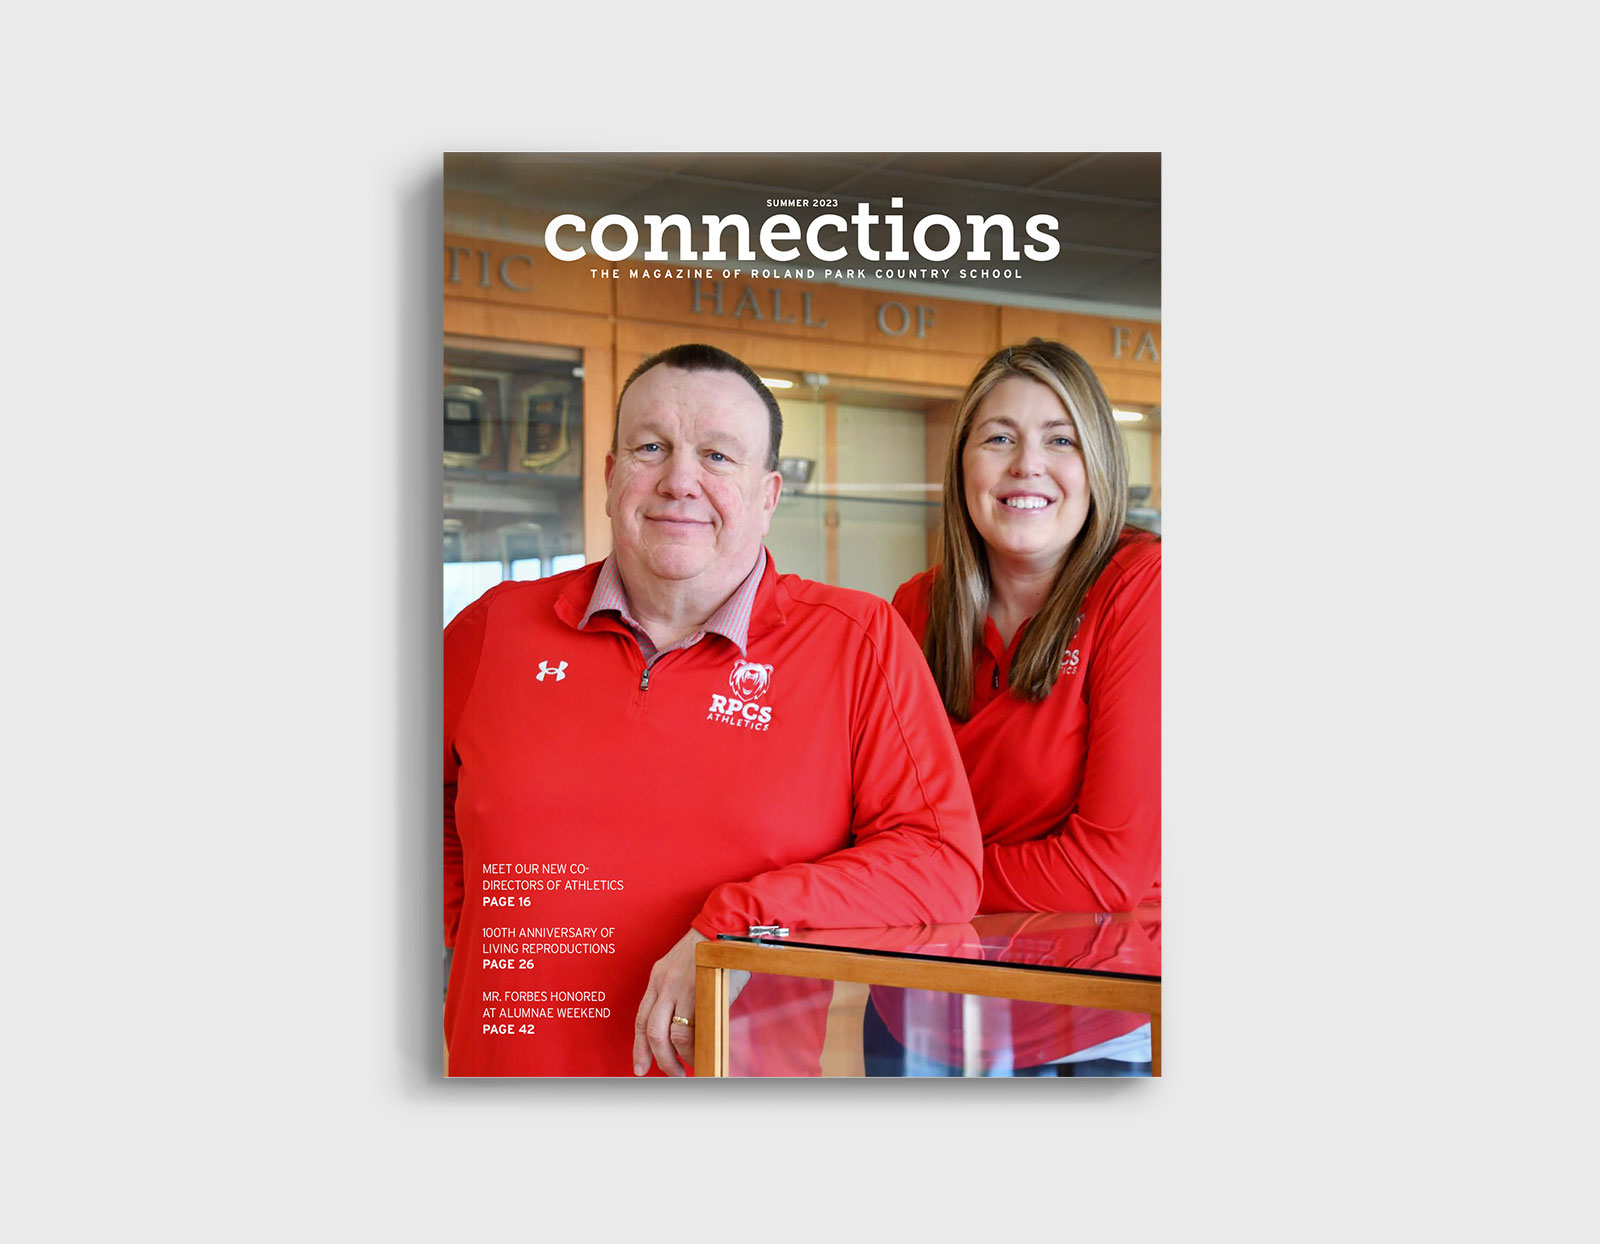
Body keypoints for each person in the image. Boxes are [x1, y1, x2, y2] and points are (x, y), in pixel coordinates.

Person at [443, 342, 983, 1077]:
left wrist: (735, 927)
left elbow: (940, 864)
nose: (679, 481)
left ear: (768, 496)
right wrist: (484, 930)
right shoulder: (492, 628)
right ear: (609, 477)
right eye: (651, 447)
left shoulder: (857, 641)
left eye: (718, 457)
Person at [870, 338, 1161, 1075]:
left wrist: (918, 883)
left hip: (1088, 1025)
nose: (1027, 464)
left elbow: (1108, 871)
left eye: (1059, 440)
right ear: (961, 465)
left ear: (1097, 464)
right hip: (917, 1011)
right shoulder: (916, 606)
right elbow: (864, 826)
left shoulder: (1143, 588)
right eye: (998, 438)